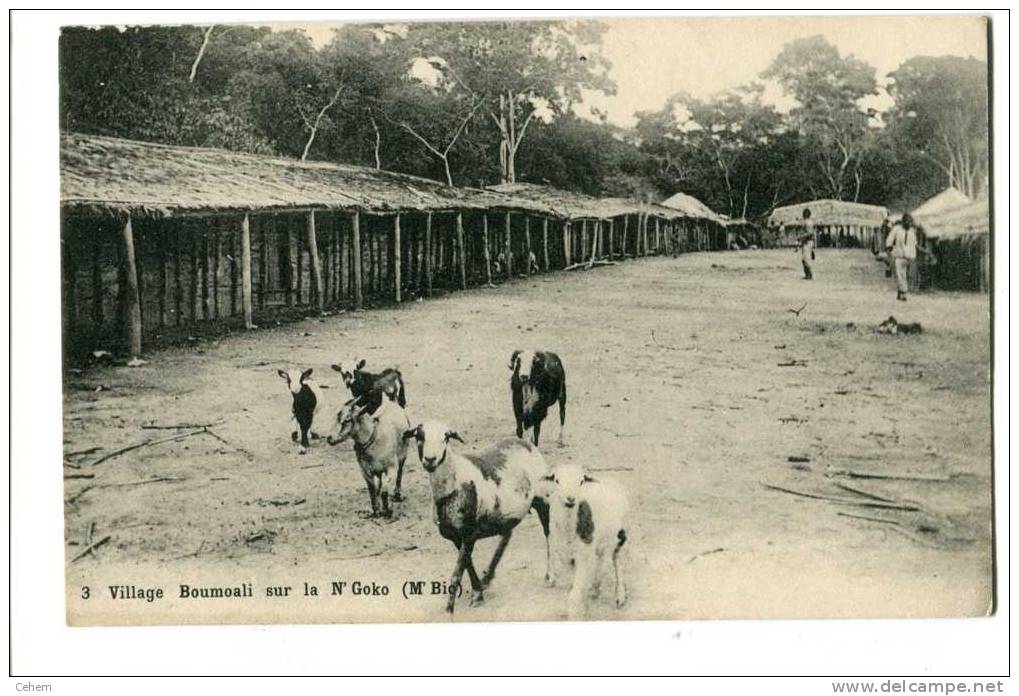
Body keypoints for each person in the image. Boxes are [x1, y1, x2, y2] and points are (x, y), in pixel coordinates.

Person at [885, 213, 918, 301]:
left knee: (907, 275)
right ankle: (904, 293)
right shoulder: (897, 229)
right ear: (903, 222)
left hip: (910, 256)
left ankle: (900, 292)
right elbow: (890, 239)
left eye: (910, 222)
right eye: (906, 221)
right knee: (900, 275)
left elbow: (914, 244)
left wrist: (914, 257)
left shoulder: (912, 231)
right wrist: (889, 249)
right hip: (899, 255)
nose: (908, 223)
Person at [799, 207, 815, 280]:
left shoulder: (807, 222)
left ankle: (809, 274)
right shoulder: (809, 222)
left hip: (807, 242)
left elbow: (810, 233)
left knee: (805, 259)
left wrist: (800, 237)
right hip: (807, 242)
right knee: (804, 259)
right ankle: (807, 274)